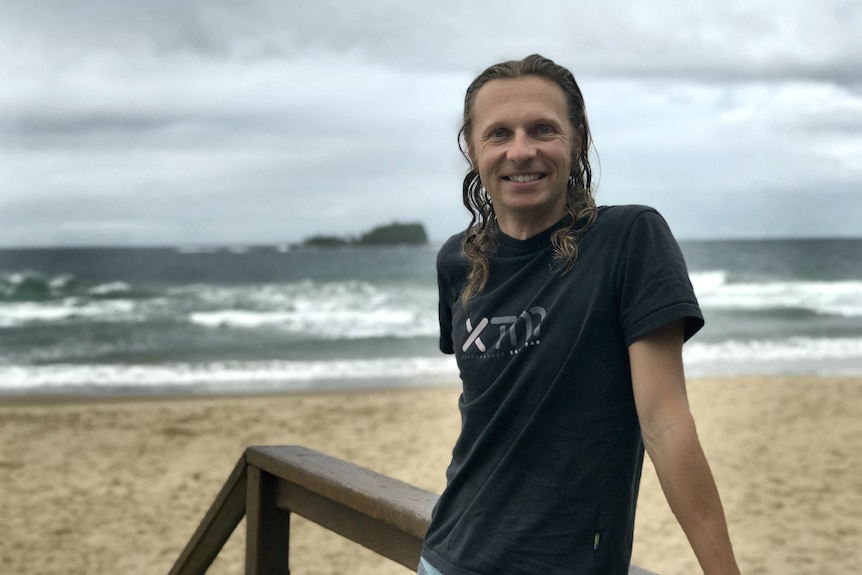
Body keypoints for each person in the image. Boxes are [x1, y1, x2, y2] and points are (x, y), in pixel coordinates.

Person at [418, 54, 740, 575]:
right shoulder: (458, 260)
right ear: (472, 148)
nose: (521, 151)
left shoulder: (631, 240)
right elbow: (487, 415)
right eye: (499, 134)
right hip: (447, 556)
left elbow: (665, 423)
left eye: (543, 129)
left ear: (577, 138)